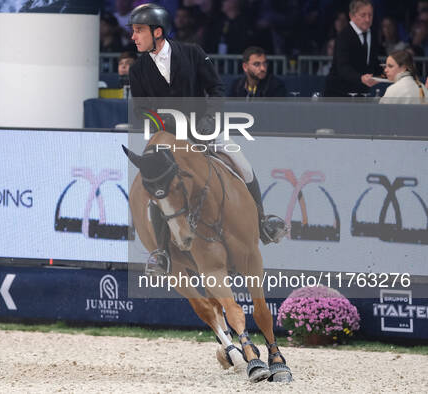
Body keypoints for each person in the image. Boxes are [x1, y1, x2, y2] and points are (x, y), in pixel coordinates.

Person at [128, 3, 287, 272]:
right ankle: (161, 253)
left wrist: (209, 118)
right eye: (133, 31)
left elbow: (216, 88)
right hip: (168, 137)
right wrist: (166, 127)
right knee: (159, 186)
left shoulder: (192, 53)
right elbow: (142, 110)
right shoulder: (137, 70)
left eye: (139, 31)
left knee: (243, 164)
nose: (134, 37)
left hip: (203, 126)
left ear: (157, 32)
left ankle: (262, 223)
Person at [324, 0, 382, 97]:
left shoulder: (372, 34)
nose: (367, 19)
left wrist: (385, 73)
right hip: (338, 93)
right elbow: (343, 67)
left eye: (370, 15)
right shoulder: (344, 36)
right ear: (352, 16)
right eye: (363, 15)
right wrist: (361, 78)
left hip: (361, 93)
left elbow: (372, 61)